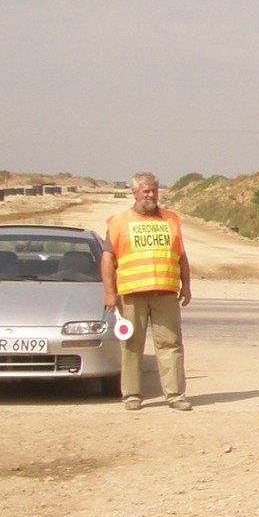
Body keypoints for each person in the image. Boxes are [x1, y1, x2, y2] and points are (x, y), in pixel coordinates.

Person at [100, 171, 193, 411]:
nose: (151, 195)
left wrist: (187, 286)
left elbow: (181, 257)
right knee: (131, 345)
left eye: (154, 190)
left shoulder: (171, 220)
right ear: (134, 194)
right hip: (132, 294)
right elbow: (107, 259)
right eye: (146, 191)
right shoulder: (119, 221)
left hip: (165, 293)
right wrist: (110, 293)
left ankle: (175, 395)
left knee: (171, 344)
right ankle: (132, 395)